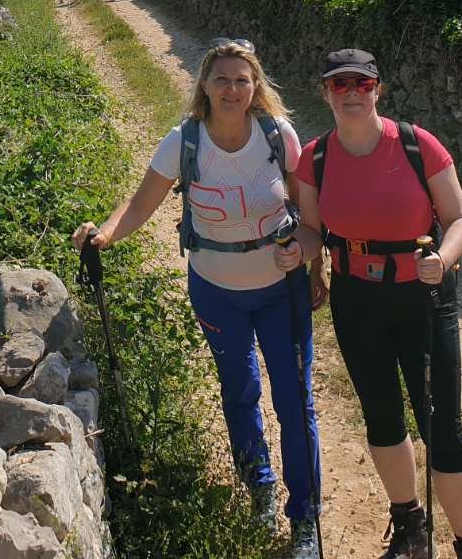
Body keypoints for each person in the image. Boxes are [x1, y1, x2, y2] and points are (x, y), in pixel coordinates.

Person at [73, 39, 321, 559]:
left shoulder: (278, 135)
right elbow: (140, 202)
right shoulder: (184, 141)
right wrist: (105, 235)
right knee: (239, 391)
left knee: (294, 403)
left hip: (282, 292)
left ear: (255, 87)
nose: (231, 89)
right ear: (204, 84)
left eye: (241, 80)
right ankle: (259, 490)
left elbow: (308, 213)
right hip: (217, 292)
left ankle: (305, 519)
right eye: (221, 79)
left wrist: (310, 259)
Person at [294, 49, 462, 559]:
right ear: (326, 94)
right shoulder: (315, 158)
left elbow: (459, 219)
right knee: (380, 416)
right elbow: (312, 230)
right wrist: (298, 252)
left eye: (361, 83)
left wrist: (442, 258)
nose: (351, 93)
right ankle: (410, 527)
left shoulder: (418, 145)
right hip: (356, 299)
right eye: (340, 85)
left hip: (423, 295)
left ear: (378, 89)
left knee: (441, 427)